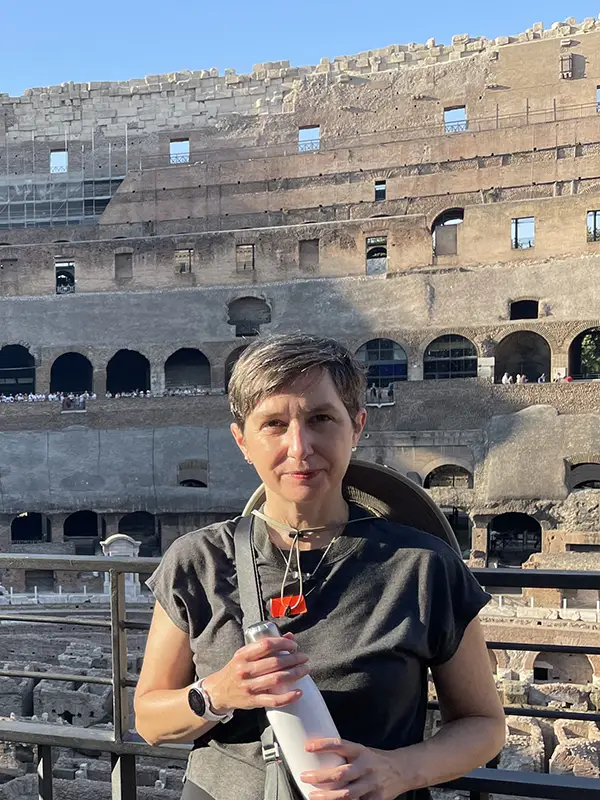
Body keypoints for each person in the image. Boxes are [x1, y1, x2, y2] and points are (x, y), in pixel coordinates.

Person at [135, 334, 505, 800]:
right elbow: (149, 719)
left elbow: (484, 725)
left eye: (321, 419)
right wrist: (216, 693)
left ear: (356, 426)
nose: (299, 447)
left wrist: (398, 770)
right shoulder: (197, 560)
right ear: (242, 440)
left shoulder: (424, 566)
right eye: (273, 423)